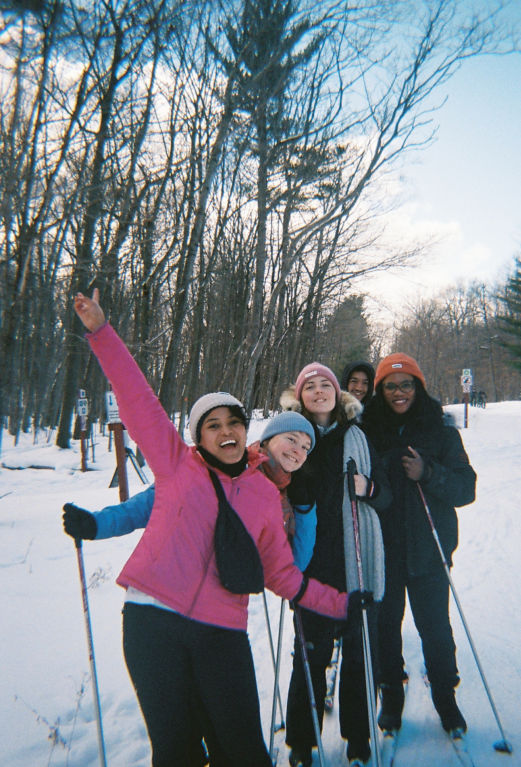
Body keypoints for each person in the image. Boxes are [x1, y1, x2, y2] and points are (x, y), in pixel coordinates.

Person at [69, 291, 372, 767]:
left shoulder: (266, 499)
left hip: (221, 631)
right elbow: (136, 398)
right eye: (214, 424)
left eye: (234, 421)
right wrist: (101, 332)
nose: (226, 429)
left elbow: (286, 575)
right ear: (199, 435)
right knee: (176, 751)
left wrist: (343, 604)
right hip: (153, 623)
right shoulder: (177, 467)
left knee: (244, 751)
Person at [280, 363, 392, 767]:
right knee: (309, 654)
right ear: (301, 396)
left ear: (337, 393)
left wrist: (369, 487)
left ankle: (358, 740)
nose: (319, 390)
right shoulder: (291, 437)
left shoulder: (358, 436)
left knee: (361, 655)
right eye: (310, 386)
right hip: (312, 565)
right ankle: (301, 742)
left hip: (356, 560)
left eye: (325, 384)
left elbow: (387, 496)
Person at [361, 353, 476, 735]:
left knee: (435, 628)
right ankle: (391, 694)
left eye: (406, 384)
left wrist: (429, 472)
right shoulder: (367, 432)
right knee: (385, 629)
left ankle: (446, 697)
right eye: (390, 386)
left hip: (429, 551)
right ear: (380, 391)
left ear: (418, 386)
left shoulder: (441, 431)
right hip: (383, 553)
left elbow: (465, 488)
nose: (399, 393)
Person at [64, 411, 318, 572]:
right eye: (292, 439)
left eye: (306, 447)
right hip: (168, 595)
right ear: (267, 440)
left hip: (222, 607)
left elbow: (293, 565)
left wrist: (306, 509)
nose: (298, 450)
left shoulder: (286, 493)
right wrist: (97, 524)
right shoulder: (230, 464)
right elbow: (157, 502)